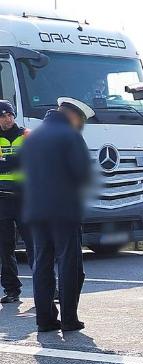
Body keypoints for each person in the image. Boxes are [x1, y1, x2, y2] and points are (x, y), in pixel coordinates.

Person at [21, 98, 93, 332]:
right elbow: (82, 173)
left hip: (35, 210)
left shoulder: (33, 137)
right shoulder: (70, 136)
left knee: (41, 264)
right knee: (68, 264)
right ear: (73, 116)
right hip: (63, 210)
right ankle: (70, 319)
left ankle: (45, 320)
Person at [0, 100, 32, 304]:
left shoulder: (27, 135)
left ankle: (50, 288)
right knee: (5, 248)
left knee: (35, 245)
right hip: (2, 198)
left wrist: (6, 163)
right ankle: (12, 290)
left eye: (10, 115)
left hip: (25, 198)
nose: (7, 119)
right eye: (3, 116)